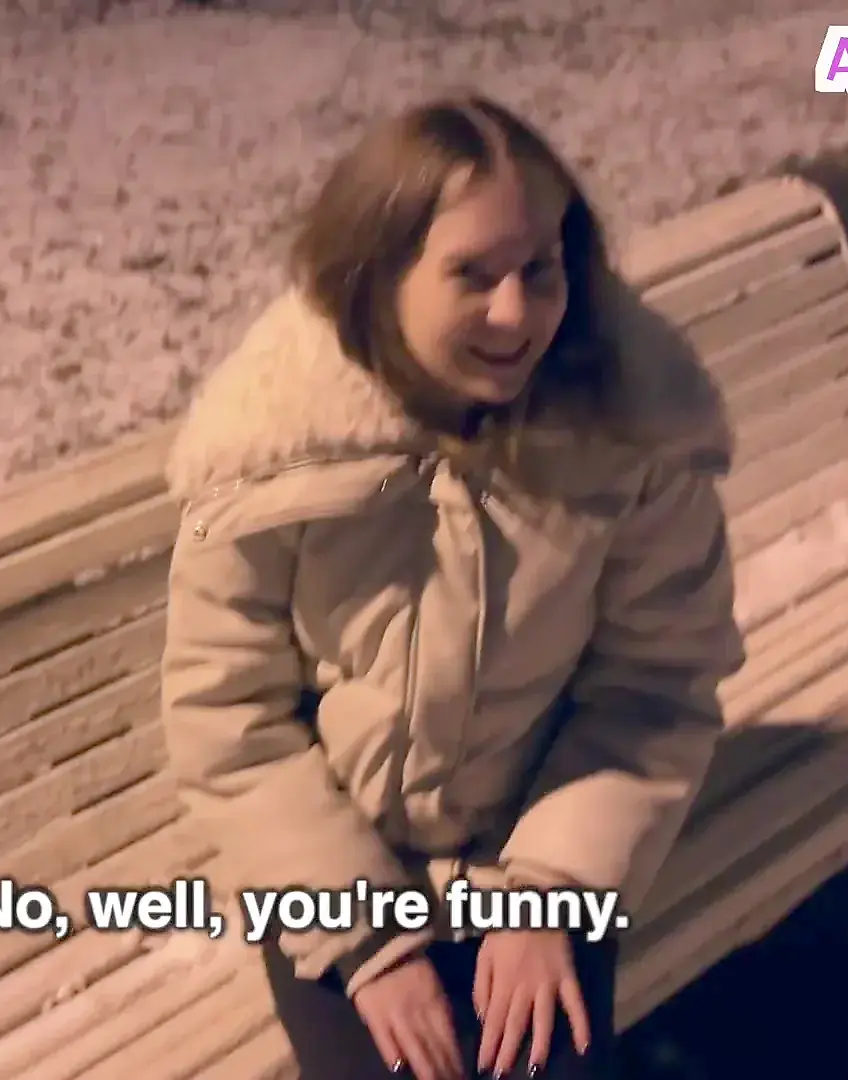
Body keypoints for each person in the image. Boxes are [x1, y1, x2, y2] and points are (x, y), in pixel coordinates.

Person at [159, 93, 746, 1080]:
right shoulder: (267, 456)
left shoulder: (629, 435)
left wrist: (549, 890)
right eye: (472, 275)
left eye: (540, 270)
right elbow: (229, 719)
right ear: (379, 270)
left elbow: (655, 686)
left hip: (544, 843)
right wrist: (368, 941)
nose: (515, 313)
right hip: (334, 869)